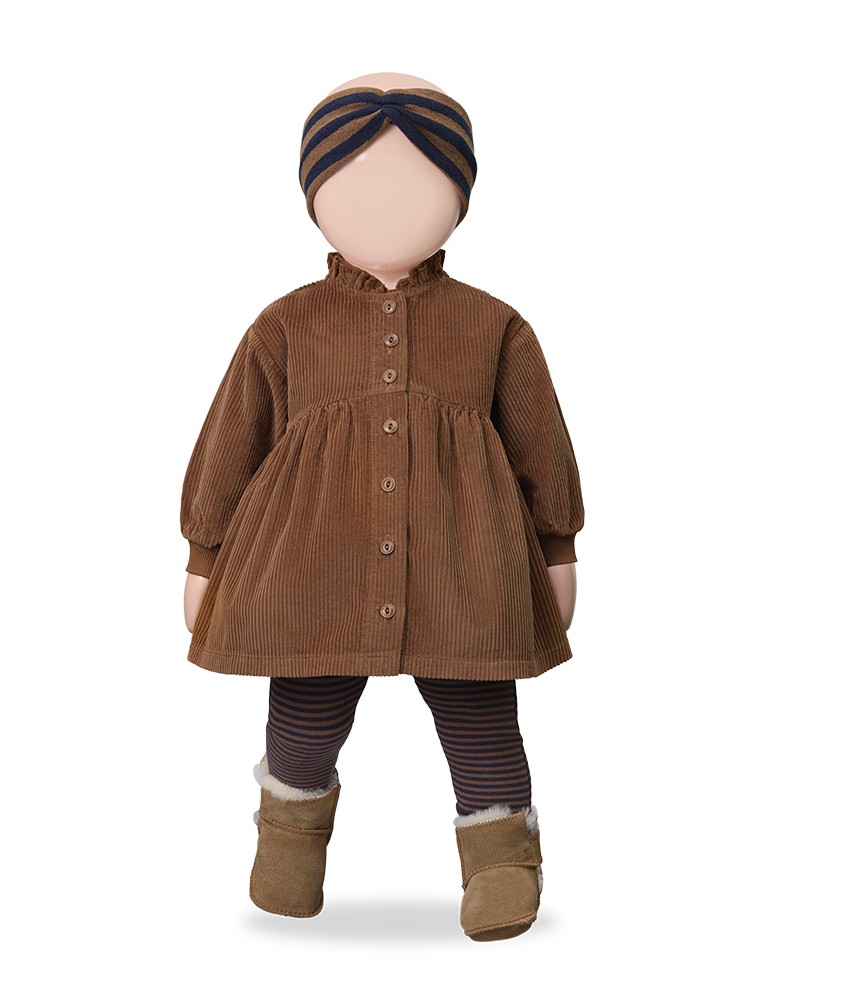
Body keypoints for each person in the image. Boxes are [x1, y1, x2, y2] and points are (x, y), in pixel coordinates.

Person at [180, 73, 583, 943]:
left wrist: (559, 553)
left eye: (419, 184)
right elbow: (230, 446)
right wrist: (203, 558)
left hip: (463, 563)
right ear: (313, 201)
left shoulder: (496, 326)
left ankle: (501, 862)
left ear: (460, 201)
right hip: (312, 562)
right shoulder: (284, 326)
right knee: (305, 707)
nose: (387, 206)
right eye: (355, 186)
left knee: (481, 712)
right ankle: (288, 849)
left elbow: (540, 450)